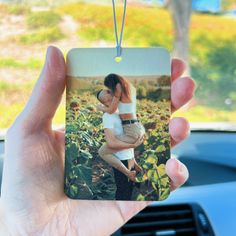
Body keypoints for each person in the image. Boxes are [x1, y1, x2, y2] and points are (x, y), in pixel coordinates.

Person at [0, 46, 195, 235]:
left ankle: (130, 172)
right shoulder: (131, 91)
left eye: (108, 91)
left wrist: (102, 109)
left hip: (131, 130)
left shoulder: (118, 95)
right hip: (135, 126)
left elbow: (110, 110)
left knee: (105, 152)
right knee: (119, 156)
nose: (109, 94)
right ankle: (136, 171)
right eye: (106, 95)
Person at [97, 74, 146, 181]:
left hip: (132, 128)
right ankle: (136, 166)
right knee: (123, 141)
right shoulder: (129, 88)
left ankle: (128, 173)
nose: (110, 90)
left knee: (102, 151)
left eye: (109, 88)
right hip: (137, 127)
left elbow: (111, 110)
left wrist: (100, 107)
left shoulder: (118, 88)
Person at [97, 90, 142, 199]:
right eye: (106, 101)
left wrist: (133, 158)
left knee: (130, 190)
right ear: (104, 104)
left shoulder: (118, 111)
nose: (110, 101)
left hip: (127, 158)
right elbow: (116, 141)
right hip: (121, 159)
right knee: (124, 192)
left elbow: (124, 138)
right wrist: (132, 150)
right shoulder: (109, 116)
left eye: (110, 97)